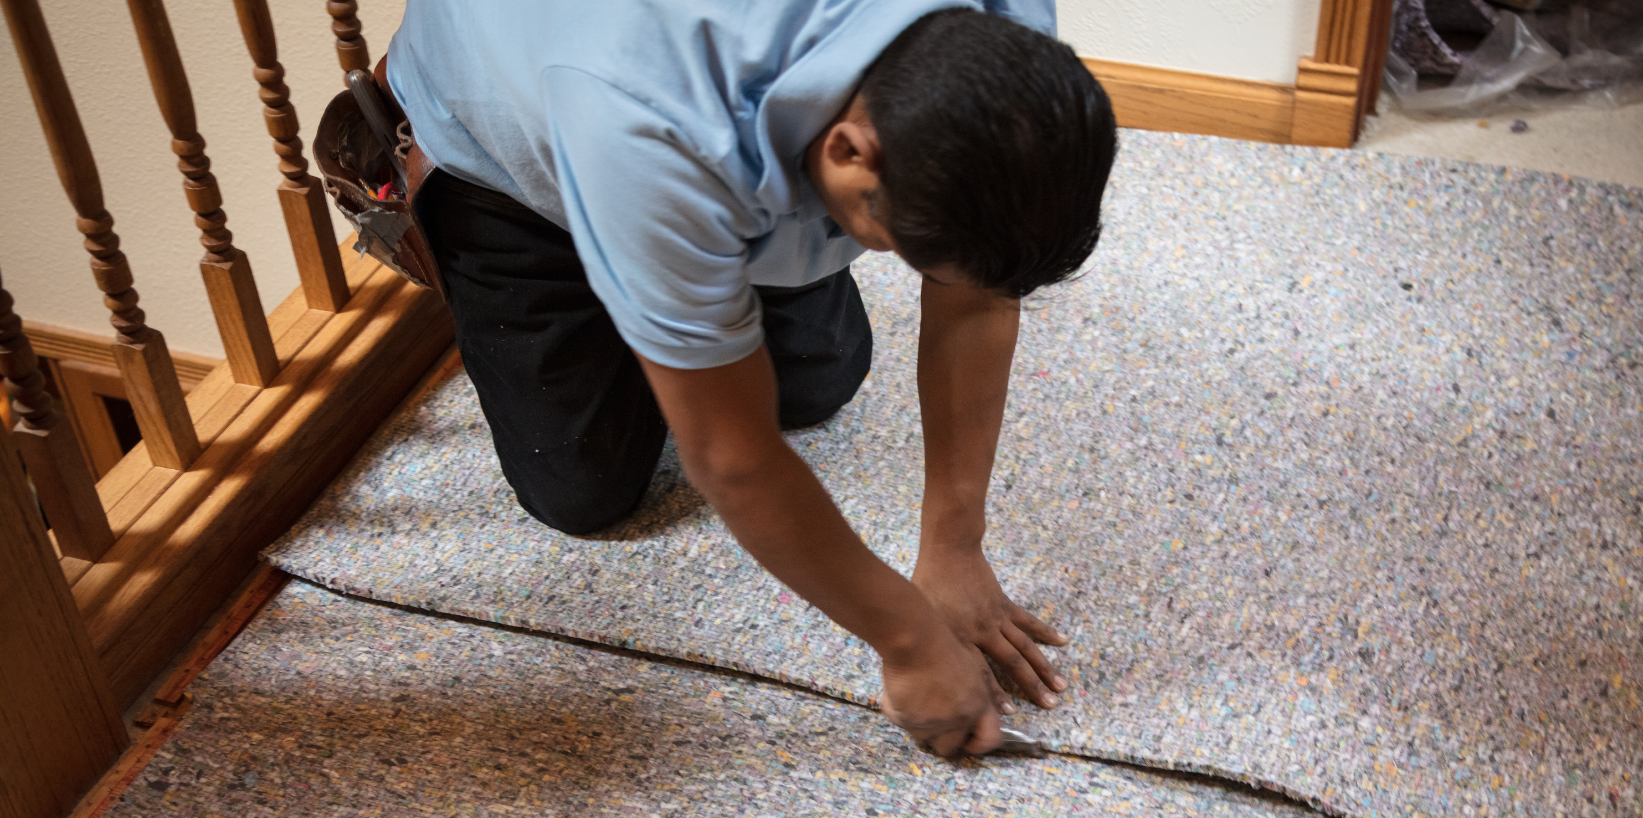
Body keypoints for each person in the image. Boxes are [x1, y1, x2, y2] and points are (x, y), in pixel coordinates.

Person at [387, 1, 1117, 757]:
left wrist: (956, 545)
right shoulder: (645, 120)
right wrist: (908, 641)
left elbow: (977, 296)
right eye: (903, 249)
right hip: (508, 167)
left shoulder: (1001, 42)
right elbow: (732, 460)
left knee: (819, 378)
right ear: (847, 150)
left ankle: (681, 274)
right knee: (582, 490)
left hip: (689, 147)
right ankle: (645, 268)